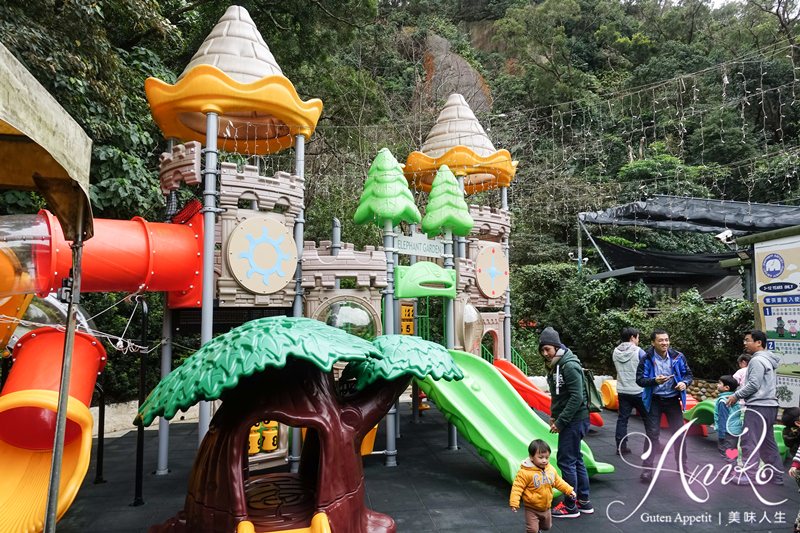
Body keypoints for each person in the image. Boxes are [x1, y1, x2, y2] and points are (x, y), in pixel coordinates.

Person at [539, 326, 593, 518]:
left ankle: (570, 505)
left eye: (548, 349)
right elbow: (558, 394)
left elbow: (577, 397)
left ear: (556, 346)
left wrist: (561, 421)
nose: (545, 353)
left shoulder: (568, 365)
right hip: (572, 418)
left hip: (575, 419)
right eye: (542, 350)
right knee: (575, 459)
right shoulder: (555, 364)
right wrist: (554, 415)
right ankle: (583, 500)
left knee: (566, 460)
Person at [725, 330, 783, 485]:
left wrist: (735, 395)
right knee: (767, 442)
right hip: (770, 406)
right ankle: (776, 476)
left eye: (747, 340)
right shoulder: (768, 359)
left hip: (758, 406)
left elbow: (753, 385)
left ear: (759, 342)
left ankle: (750, 476)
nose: (745, 343)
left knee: (749, 440)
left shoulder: (757, 361)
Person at [636, 328, 693, 482]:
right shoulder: (646, 358)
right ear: (653, 342)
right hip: (654, 400)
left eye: (666, 340)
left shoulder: (678, 356)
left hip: (673, 400)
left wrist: (684, 383)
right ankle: (647, 470)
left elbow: (688, 375)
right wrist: (654, 380)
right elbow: (640, 380)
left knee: (679, 435)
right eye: (660, 340)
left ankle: (682, 467)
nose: (664, 343)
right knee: (652, 435)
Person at [510, 439, 577, 533]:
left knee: (547, 526)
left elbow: (558, 482)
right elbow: (517, 488)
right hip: (531, 508)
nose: (544, 460)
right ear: (531, 457)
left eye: (547, 457)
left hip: (546, 507)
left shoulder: (550, 470)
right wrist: (514, 502)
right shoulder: (525, 472)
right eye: (541, 457)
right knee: (532, 529)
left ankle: (539, 529)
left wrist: (569, 490)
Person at [612, 327, 648, 455]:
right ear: (632, 337)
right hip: (639, 391)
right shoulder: (639, 352)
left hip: (622, 390)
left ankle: (620, 446)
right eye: (638, 337)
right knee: (649, 419)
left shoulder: (615, 352)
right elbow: (648, 368)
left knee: (622, 419)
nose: (638, 340)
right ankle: (652, 445)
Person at [714, 375, 742, 462]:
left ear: (726, 388)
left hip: (726, 431)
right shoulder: (735, 399)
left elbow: (723, 418)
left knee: (725, 451)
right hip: (735, 430)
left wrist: (721, 434)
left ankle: (730, 472)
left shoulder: (723, 401)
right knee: (733, 450)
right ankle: (733, 469)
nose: (717, 385)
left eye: (719, 383)